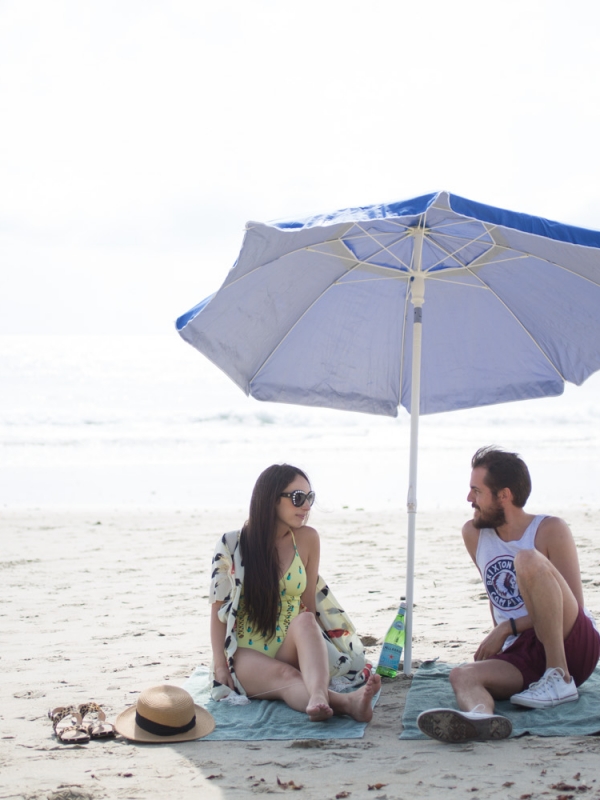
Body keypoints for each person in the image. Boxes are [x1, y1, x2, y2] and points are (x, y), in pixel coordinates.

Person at [418, 446, 600, 744]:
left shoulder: (550, 529)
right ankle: (480, 718)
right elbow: (496, 596)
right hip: (523, 650)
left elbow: (574, 607)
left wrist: (506, 628)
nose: (469, 499)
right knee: (461, 675)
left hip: (571, 643)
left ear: (503, 495)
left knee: (527, 559)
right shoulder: (474, 534)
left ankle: (560, 677)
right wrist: (503, 639)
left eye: (476, 491)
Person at [209, 463, 381, 723]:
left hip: (288, 644)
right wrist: (220, 666)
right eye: (298, 498)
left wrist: (312, 651)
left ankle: (319, 695)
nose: (307, 506)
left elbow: (308, 605)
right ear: (271, 498)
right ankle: (345, 703)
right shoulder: (231, 544)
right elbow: (217, 611)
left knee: (306, 619)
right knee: (288, 677)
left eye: (310, 497)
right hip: (245, 653)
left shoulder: (308, 539)